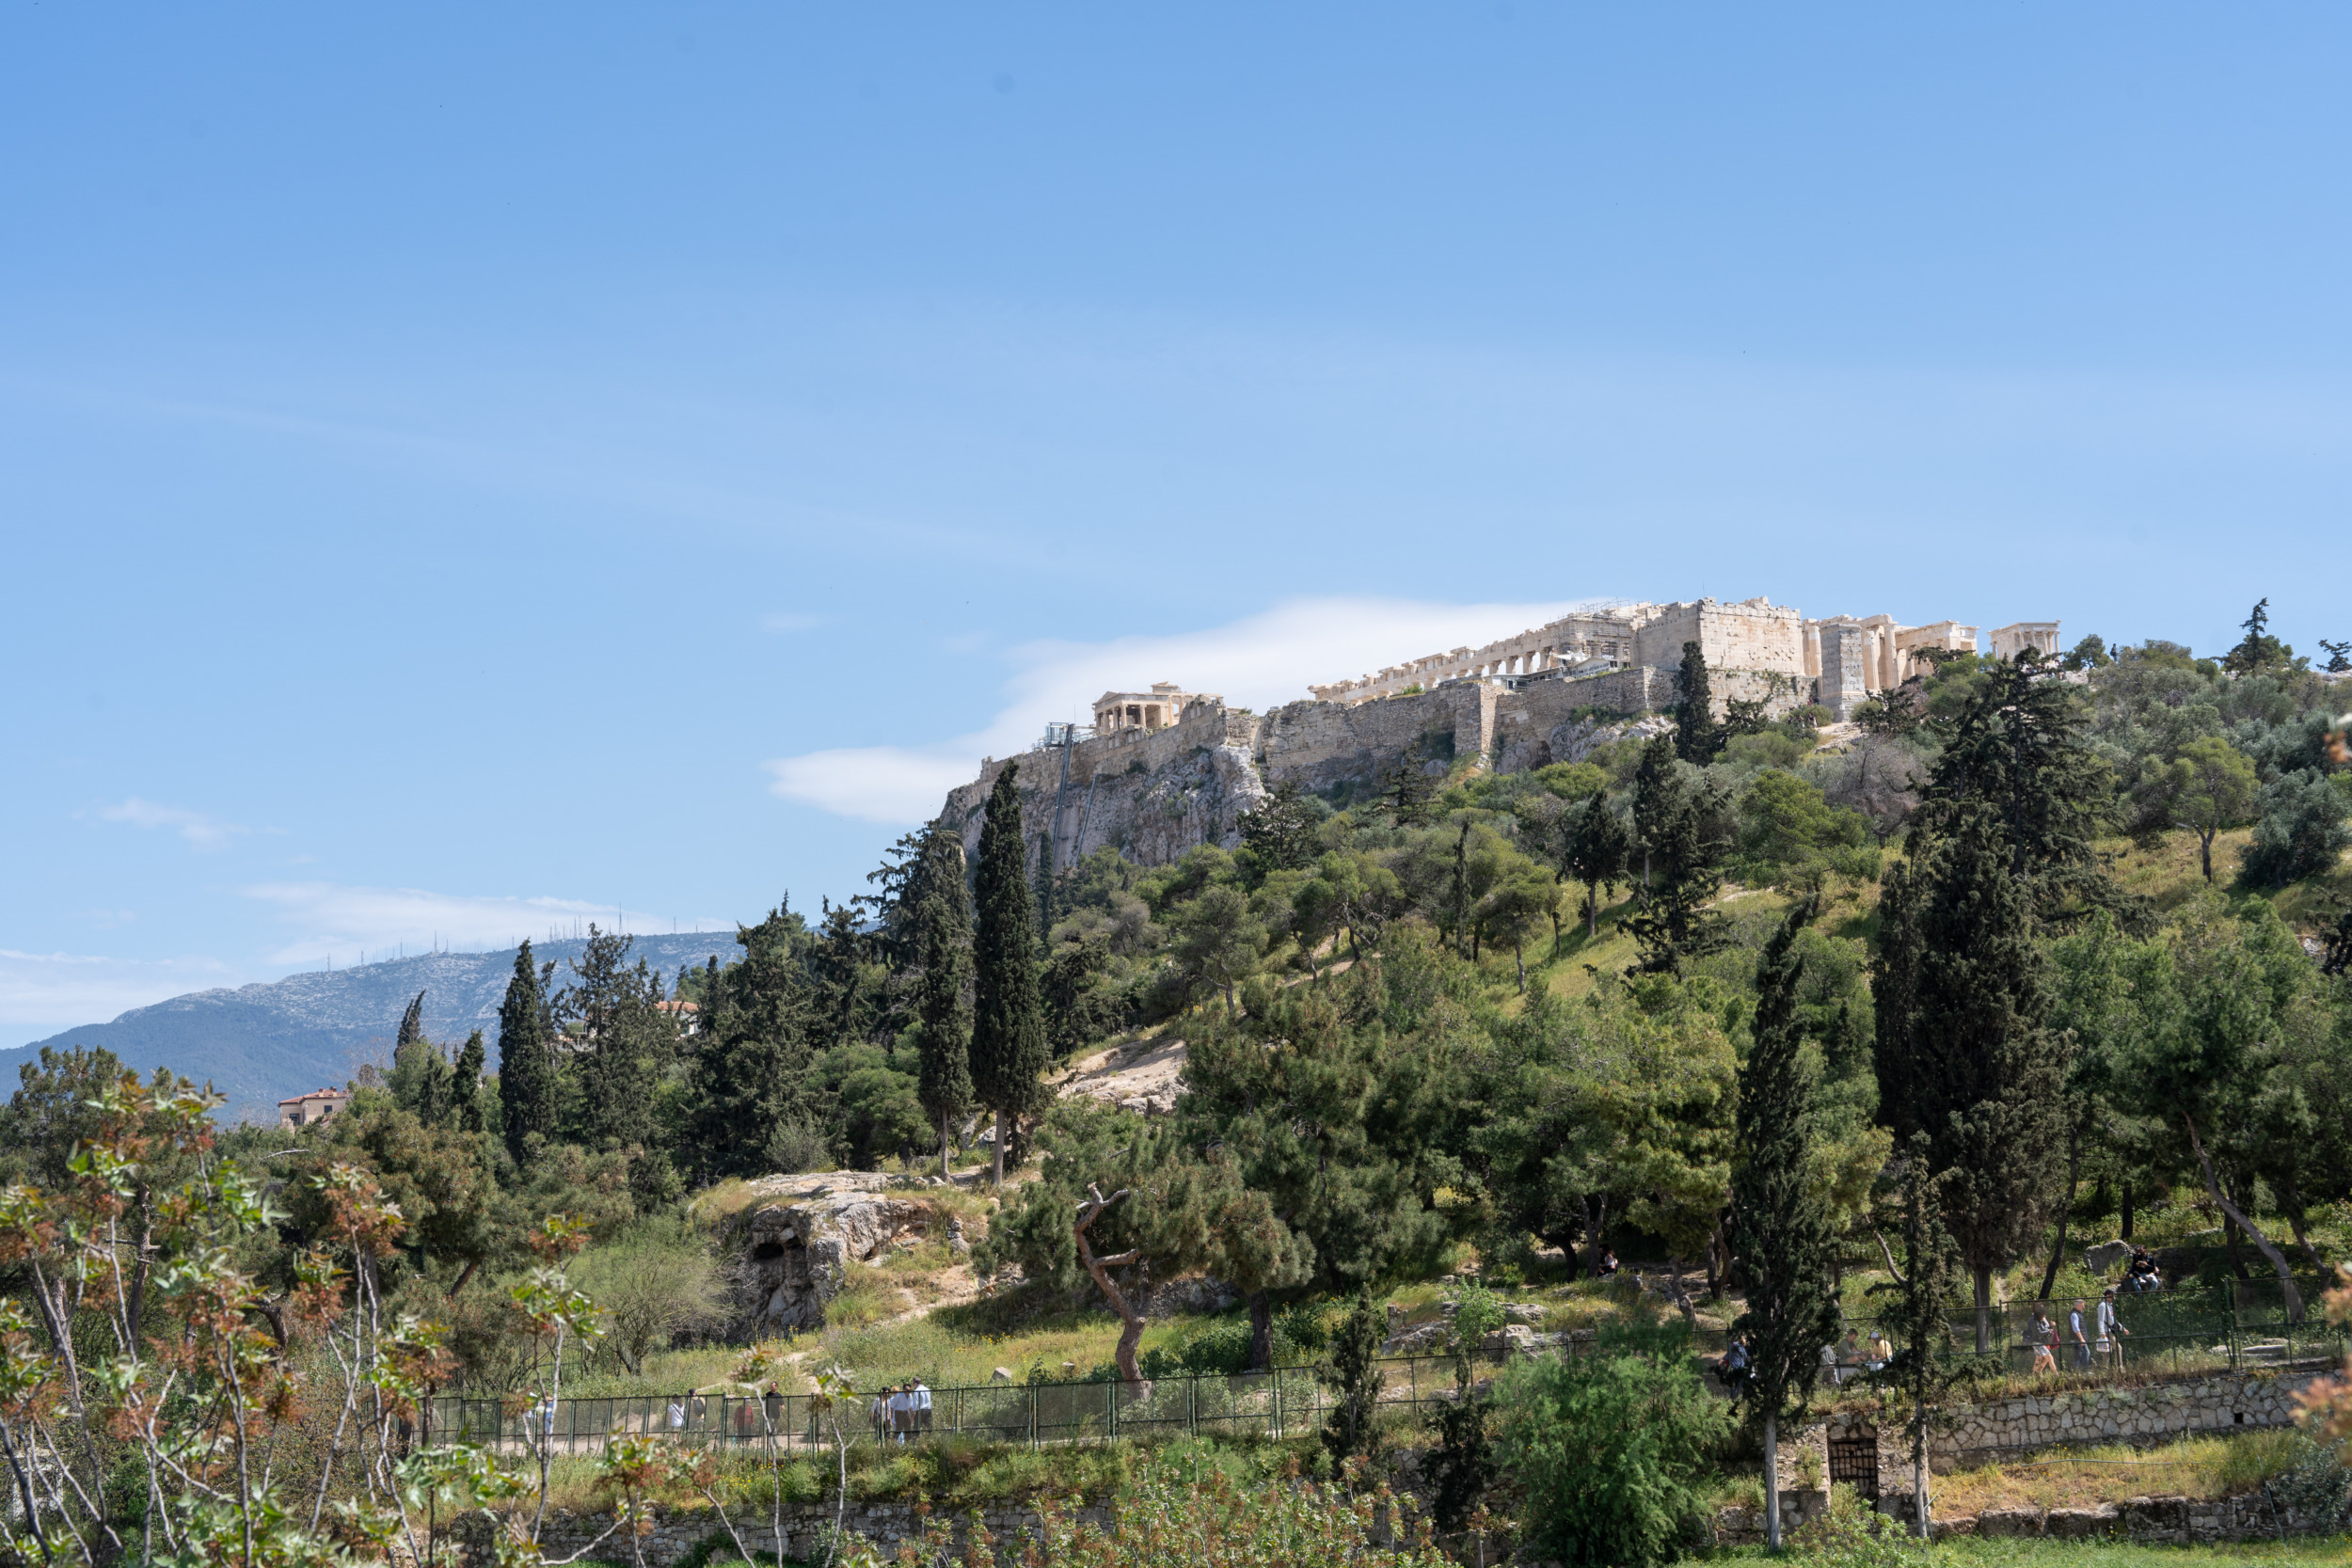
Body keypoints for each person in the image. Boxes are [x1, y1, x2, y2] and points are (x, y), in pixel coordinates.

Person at [2096, 1287, 2130, 1370]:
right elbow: (2100, 1320)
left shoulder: (2109, 1305)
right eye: (2113, 1296)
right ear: (2107, 1295)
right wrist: (2102, 1332)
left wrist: (2123, 1328)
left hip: (2109, 1330)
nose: (2114, 1298)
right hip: (2106, 1331)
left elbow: (2113, 1320)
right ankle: (2119, 1367)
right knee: (2118, 1348)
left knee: (2107, 1350)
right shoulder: (2103, 1305)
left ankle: (2104, 1368)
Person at [2027, 1307, 2056, 1374]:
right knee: (2050, 1358)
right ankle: (2057, 1375)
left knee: (2039, 1359)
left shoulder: (2038, 1321)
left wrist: (2049, 1329)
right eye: (2044, 1314)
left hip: (2038, 1342)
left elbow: (2042, 1330)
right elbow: (2039, 1333)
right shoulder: (2035, 1322)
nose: (2045, 1316)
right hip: (2038, 1343)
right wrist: (2048, 1331)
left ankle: (2033, 1376)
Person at [2068, 1299, 2091, 1370]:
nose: (2083, 1307)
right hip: (2077, 1339)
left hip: (2077, 1339)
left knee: (2078, 1355)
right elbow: (2075, 1328)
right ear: (2077, 1305)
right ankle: (2085, 1370)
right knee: (2086, 1352)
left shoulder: (2078, 1314)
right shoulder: (2074, 1314)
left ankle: (2077, 1372)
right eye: (2082, 1305)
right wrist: (2081, 1339)